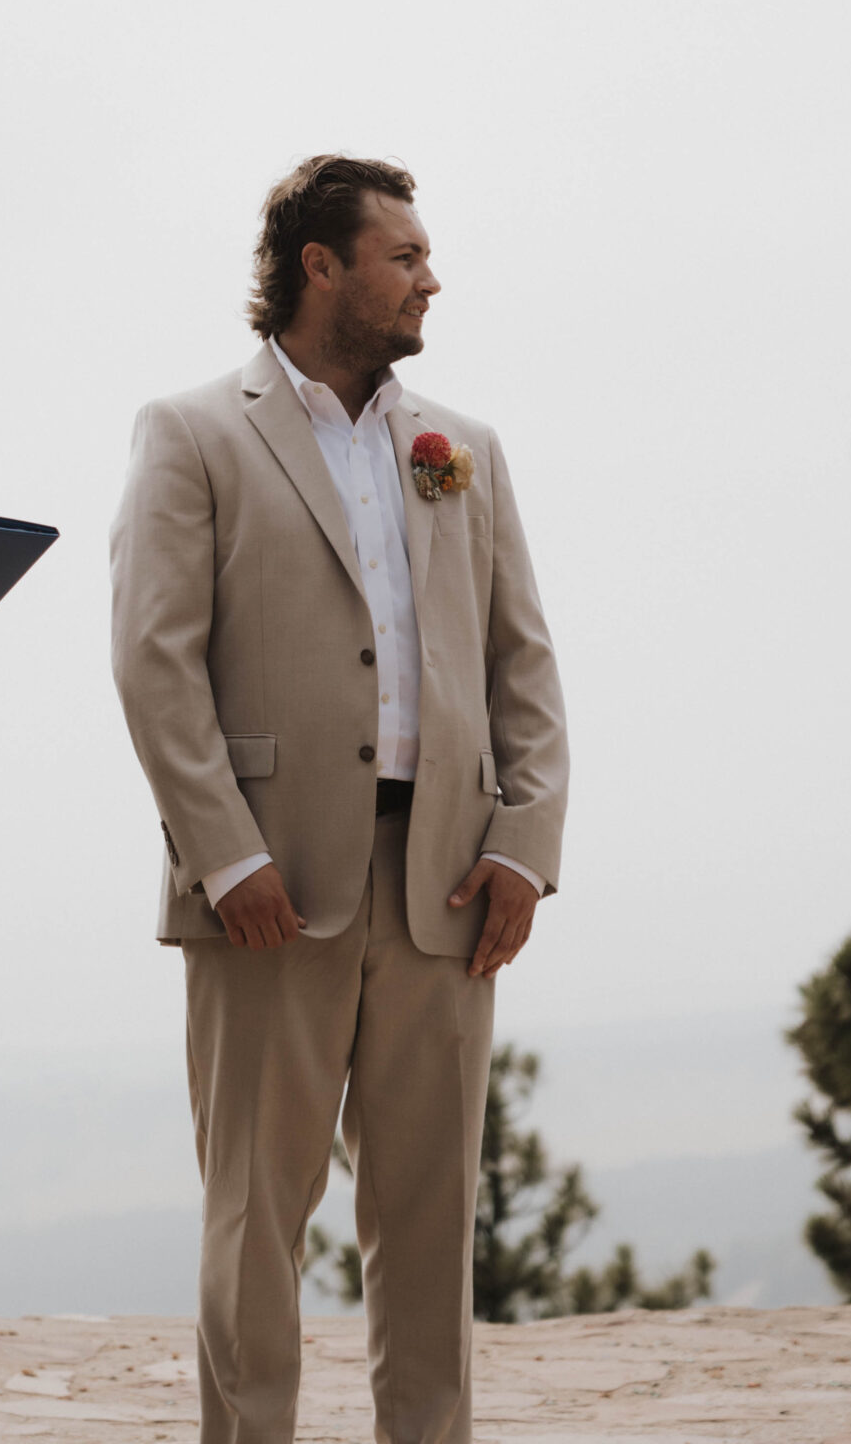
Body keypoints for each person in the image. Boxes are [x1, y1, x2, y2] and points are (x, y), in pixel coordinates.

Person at [111, 154, 569, 1444]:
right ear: (322, 267)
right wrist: (223, 853)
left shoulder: (459, 448)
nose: (432, 276)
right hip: (271, 884)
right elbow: (155, 659)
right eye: (405, 255)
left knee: (431, 1212)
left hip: (449, 882)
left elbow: (520, 658)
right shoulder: (194, 430)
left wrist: (525, 848)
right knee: (255, 1214)